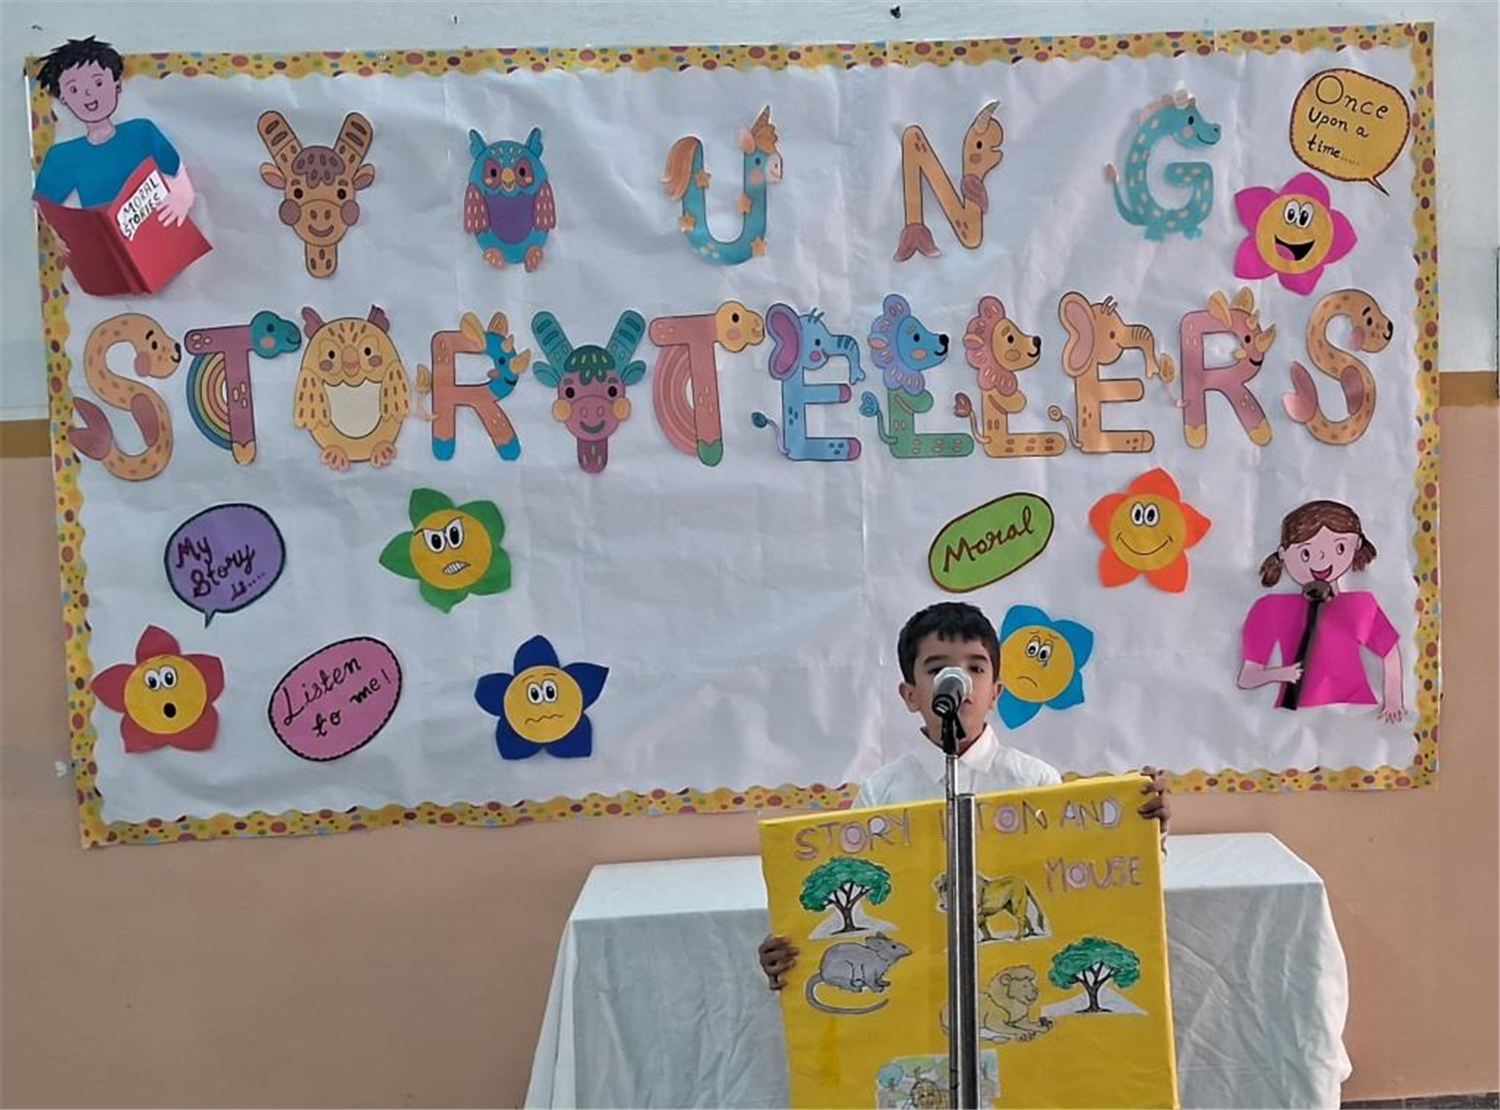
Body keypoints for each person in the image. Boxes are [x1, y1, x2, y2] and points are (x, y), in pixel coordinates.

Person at [758, 600, 1170, 990]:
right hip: (920, 988)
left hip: (1013, 971)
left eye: (975, 668)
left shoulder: (1035, 782)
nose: (959, 682)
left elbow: (1080, 883)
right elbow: (857, 894)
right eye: (938, 669)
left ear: (995, 692)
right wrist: (796, 952)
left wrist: (1148, 830)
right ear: (910, 694)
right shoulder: (883, 792)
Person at [1237, 499, 1406, 721]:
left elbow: (1390, 652)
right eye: (1306, 553)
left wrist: (1393, 701)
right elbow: (1247, 677)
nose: (1322, 560)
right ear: (1283, 554)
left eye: (1339, 548)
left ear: (1356, 545)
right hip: (1290, 720)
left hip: (1356, 713)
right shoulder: (1269, 608)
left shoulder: (1361, 605)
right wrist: (1283, 674)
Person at [33, 37, 196, 224]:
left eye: (98, 83)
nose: (88, 94)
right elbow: (42, 205)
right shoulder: (63, 156)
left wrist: (183, 197)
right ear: (63, 99)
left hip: (160, 228)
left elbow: (177, 171)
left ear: (116, 85)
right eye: (74, 89)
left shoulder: (141, 132)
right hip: (103, 235)